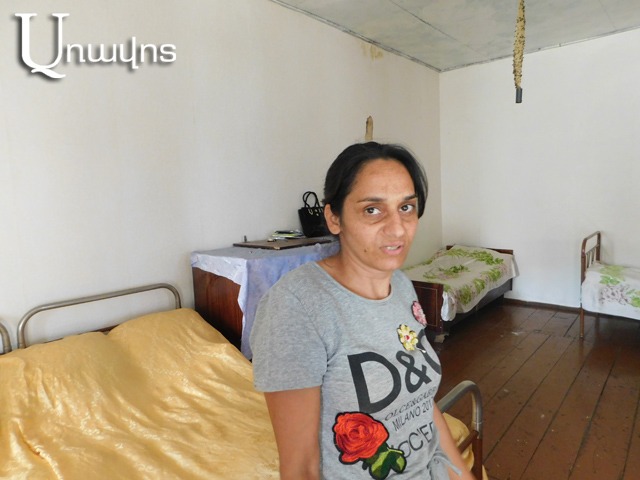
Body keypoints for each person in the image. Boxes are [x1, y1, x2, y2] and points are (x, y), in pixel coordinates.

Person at [250, 142, 476, 480]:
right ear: (334, 218)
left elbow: (421, 406)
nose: (397, 228)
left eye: (406, 207)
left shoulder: (401, 285)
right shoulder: (296, 307)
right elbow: (300, 468)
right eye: (372, 210)